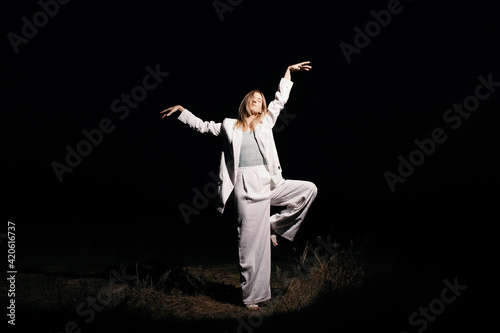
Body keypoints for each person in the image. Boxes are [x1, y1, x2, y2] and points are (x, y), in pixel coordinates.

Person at [160, 61, 318, 309]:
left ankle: (273, 225)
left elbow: (280, 101)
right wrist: (182, 112)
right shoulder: (228, 126)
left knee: (308, 189)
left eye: (261, 100)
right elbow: (203, 127)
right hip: (244, 186)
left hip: (268, 182)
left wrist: (287, 73)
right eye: (254, 98)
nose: (259, 101)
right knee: (250, 244)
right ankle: (253, 297)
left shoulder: (266, 122)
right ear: (246, 103)